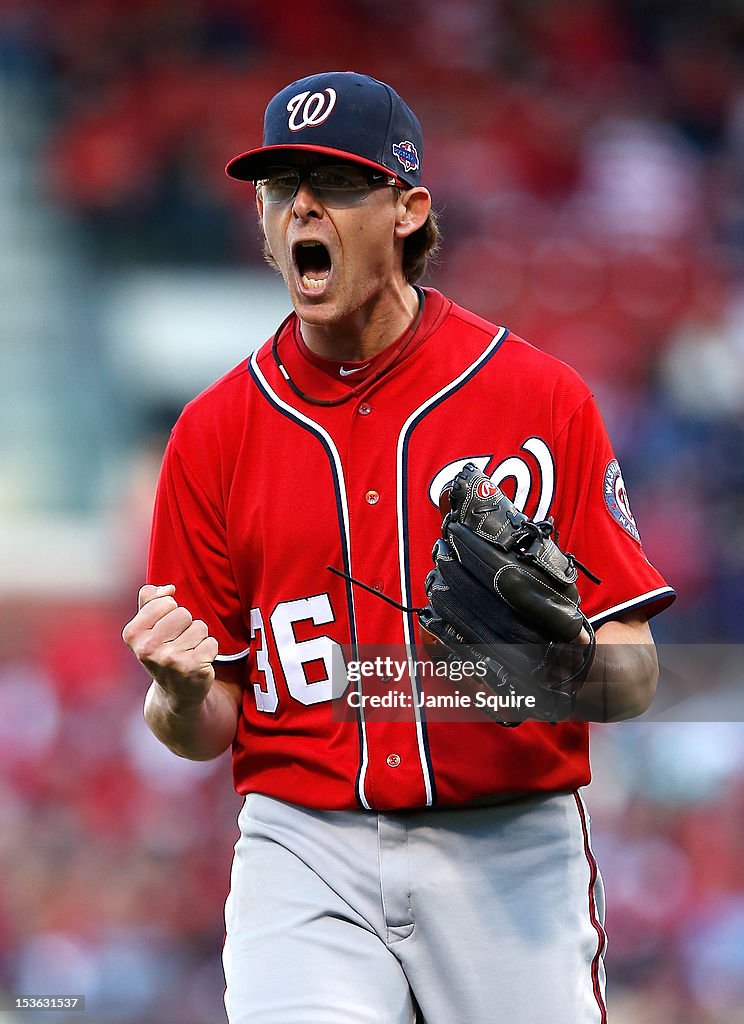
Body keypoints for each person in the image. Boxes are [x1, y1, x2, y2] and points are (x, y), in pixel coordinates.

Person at [122, 71, 675, 1024]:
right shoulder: (212, 433)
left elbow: (634, 677)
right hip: (306, 848)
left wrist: (549, 671)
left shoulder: (538, 400)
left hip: (506, 848)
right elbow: (204, 726)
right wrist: (175, 692)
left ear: (409, 209)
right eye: (278, 184)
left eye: (333, 182)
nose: (300, 204)